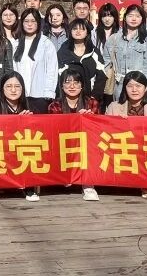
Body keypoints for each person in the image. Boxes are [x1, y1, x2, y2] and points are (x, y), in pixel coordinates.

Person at [105, 71, 147, 199]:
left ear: (145, 88)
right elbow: (104, 132)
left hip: (144, 152)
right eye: (130, 86)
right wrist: (117, 124)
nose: (134, 90)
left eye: (138, 86)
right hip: (121, 149)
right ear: (124, 88)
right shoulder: (114, 107)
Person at [0, 71, 38, 201]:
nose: (13, 90)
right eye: (9, 86)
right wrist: (15, 123)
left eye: (17, 86)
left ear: (23, 88)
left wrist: (30, 122)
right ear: (2, 89)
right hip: (4, 150)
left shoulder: (31, 106)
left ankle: (29, 187)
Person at [52, 68, 101, 201]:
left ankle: (88, 184)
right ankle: (66, 176)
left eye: (76, 82)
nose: (72, 86)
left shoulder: (91, 103)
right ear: (62, 86)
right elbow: (54, 129)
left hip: (86, 143)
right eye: (68, 82)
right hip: (64, 143)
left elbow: (99, 129)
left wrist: (90, 119)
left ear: (82, 85)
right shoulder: (55, 105)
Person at [105, 5, 147, 103]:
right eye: (130, 15)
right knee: (120, 111)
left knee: (140, 111)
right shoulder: (114, 38)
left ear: (142, 19)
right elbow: (107, 61)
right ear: (124, 17)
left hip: (140, 85)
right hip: (119, 85)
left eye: (138, 16)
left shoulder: (146, 40)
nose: (134, 19)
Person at [13, 8, 58, 113]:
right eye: (26, 21)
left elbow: (52, 70)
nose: (29, 24)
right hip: (20, 95)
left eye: (33, 21)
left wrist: (49, 92)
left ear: (38, 23)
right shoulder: (16, 44)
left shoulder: (46, 43)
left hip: (40, 95)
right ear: (22, 23)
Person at [57, 19, 106, 106]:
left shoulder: (94, 52)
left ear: (87, 32)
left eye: (82, 29)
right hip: (67, 99)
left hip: (90, 99)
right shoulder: (63, 52)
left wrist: (94, 97)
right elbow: (58, 76)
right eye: (75, 29)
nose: (78, 31)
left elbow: (101, 76)